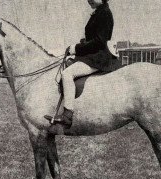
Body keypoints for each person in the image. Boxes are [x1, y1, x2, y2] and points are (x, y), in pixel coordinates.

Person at [46, 0, 115, 128]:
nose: (89, 0)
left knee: (67, 74)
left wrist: (77, 48)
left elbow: (100, 41)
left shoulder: (104, 13)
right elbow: (92, 38)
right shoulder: (99, 12)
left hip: (97, 58)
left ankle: (67, 116)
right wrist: (80, 45)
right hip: (91, 56)